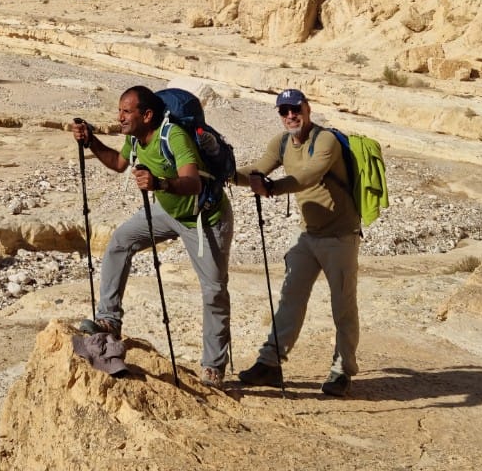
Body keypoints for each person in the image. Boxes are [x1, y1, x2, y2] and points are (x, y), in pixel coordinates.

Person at [69, 85, 233, 387]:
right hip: (169, 211)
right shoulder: (134, 138)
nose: (120, 117)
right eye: (120, 110)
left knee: (214, 290)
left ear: (147, 115)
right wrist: (91, 141)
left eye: (126, 111)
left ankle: (213, 366)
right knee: (120, 242)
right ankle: (109, 320)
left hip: (204, 217)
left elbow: (193, 182)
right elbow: (118, 165)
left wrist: (160, 183)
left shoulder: (174, 136)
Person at [235, 87, 360, 397]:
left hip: (340, 236)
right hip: (307, 234)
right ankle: (269, 363)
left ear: (308, 109)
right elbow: (256, 171)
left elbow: (308, 175)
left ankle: (342, 369)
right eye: (284, 111)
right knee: (290, 297)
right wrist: (221, 173)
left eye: (295, 109)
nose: (290, 115)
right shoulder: (280, 143)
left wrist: (272, 188)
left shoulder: (325, 140)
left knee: (342, 304)